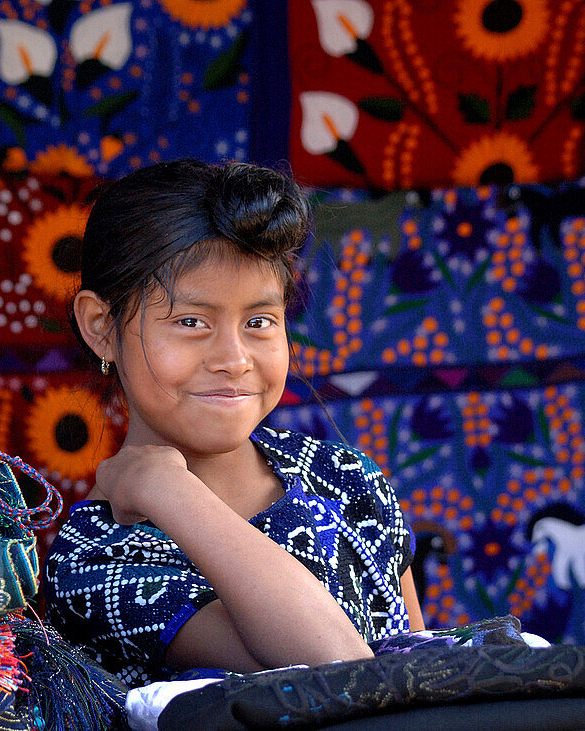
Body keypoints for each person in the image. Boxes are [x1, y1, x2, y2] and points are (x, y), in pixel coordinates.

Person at [43, 159, 425, 687]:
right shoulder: (95, 557)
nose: (234, 358)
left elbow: (421, 679)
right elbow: (341, 675)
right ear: (102, 327)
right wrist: (169, 492)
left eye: (259, 322)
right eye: (191, 322)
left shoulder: (346, 477)